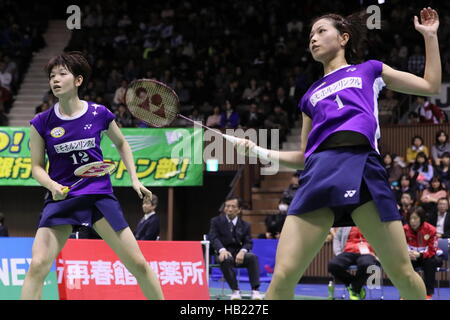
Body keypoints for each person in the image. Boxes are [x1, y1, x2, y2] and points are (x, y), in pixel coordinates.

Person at [234, 8, 441, 300]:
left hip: (362, 166)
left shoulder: (369, 70)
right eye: (310, 36)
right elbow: (305, 155)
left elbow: (430, 86)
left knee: (403, 274)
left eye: (321, 31)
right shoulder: (310, 94)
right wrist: (257, 150)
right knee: (281, 277)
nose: (313, 39)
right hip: (318, 173)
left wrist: (430, 37)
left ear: (343, 38)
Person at [22, 52, 164, 300]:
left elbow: (122, 144)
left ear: (78, 80)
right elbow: (36, 167)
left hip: (98, 195)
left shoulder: (99, 113)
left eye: (62, 74)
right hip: (62, 197)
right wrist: (52, 185)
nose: (55, 80)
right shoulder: (41, 122)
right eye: (52, 76)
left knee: (138, 265)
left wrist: (134, 178)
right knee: (37, 266)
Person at [208, 196, 263, 300]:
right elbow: (213, 238)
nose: (229, 209)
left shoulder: (245, 225)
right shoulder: (216, 221)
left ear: (239, 210)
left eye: (233, 206)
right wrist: (222, 250)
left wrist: (243, 251)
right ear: (224, 208)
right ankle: (235, 291)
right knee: (226, 259)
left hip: (238, 255)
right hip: (222, 253)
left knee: (252, 258)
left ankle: (255, 291)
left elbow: (248, 242)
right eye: (227, 206)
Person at [328, 226, 380, 300]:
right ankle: (356, 286)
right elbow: (337, 238)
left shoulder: (371, 223)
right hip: (348, 251)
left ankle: (354, 289)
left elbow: (381, 239)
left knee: (367, 264)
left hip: (367, 253)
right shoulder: (346, 224)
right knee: (333, 265)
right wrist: (339, 253)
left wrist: (377, 255)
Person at [404, 206, 443, 299]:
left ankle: (428, 294)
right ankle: (405, 294)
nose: (412, 221)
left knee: (431, 262)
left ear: (421, 218)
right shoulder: (404, 229)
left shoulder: (431, 230)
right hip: (411, 257)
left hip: (427, 257)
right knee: (405, 264)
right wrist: (407, 254)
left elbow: (432, 250)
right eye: (410, 218)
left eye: (415, 218)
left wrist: (420, 254)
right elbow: (399, 246)